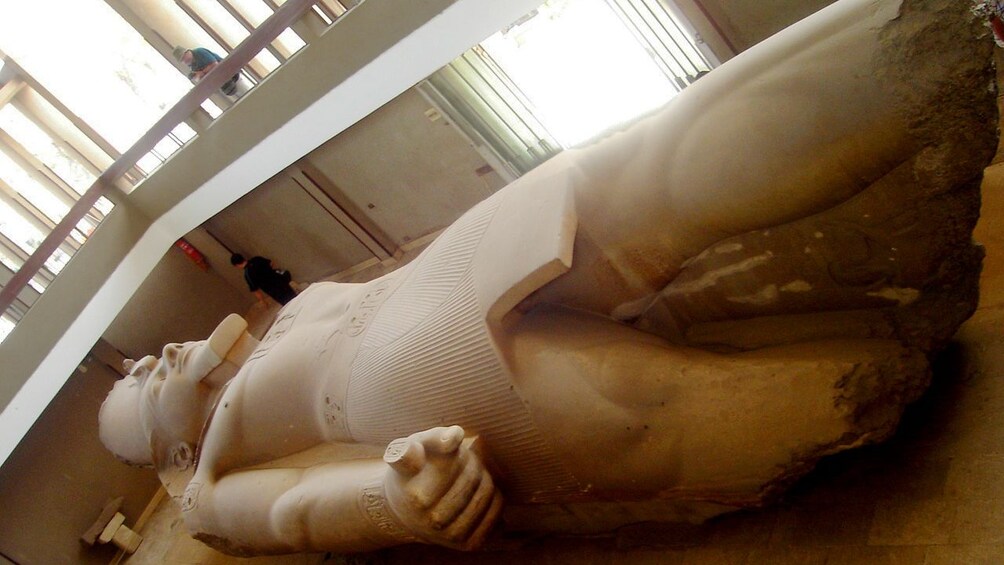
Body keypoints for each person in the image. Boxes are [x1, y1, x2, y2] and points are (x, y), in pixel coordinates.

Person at [100, 0, 995, 556]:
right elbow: (287, 510)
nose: (158, 356)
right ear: (171, 452)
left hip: (439, 274)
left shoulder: (276, 328)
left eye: (143, 357)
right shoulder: (213, 472)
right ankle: (856, 382)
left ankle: (912, 47)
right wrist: (393, 500)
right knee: (666, 410)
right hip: (405, 391)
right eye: (143, 384)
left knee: (649, 167)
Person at [230, 253, 297, 306]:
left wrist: (263, 301)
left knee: (289, 304)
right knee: (295, 297)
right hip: (280, 281)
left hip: (274, 291)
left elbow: (256, 291)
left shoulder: (248, 275)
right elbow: (271, 263)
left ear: (237, 265)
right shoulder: (256, 259)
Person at [173, 46, 240, 96]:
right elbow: (200, 78)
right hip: (223, 84)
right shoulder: (192, 66)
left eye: (184, 57)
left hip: (231, 74)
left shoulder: (199, 52)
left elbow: (215, 65)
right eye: (182, 60)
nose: (184, 60)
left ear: (187, 52)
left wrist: (202, 73)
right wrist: (198, 76)